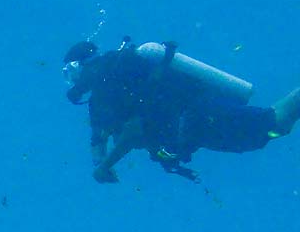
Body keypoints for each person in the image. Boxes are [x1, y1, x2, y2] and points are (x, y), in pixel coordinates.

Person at [63, 37, 300, 184]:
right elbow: (103, 134)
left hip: (202, 117)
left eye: (69, 73)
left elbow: (134, 131)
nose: (72, 81)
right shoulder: (108, 88)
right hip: (199, 123)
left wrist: (105, 166)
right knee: (275, 127)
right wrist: (100, 160)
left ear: (79, 66)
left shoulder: (108, 85)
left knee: (275, 124)